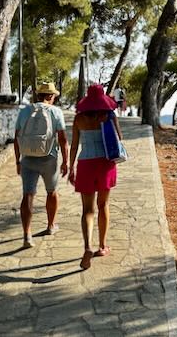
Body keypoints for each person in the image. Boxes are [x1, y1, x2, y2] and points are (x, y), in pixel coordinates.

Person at [69, 84, 122, 270]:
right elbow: (119, 138)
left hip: (85, 164)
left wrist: (70, 168)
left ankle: (87, 247)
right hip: (105, 164)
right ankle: (102, 246)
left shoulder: (78, 119)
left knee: (87, 210)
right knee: (103, 205)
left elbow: (74, 146)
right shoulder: (109, 116)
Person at [14, 82, 68, 249]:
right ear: (51, 96)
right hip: (49, 158)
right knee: (52, 192)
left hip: (28, 159)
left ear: (38, 96)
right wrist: (66, 161)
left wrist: (18, 161)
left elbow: (16, 138)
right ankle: (51, 226)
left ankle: (27, 235)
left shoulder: (24, 111)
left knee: (28, 195)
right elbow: (63, 140)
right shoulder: (56, 111)